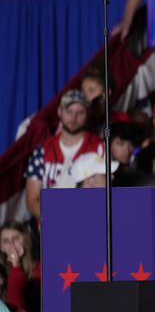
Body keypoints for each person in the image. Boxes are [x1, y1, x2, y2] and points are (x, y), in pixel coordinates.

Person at [24, 89, 104, 221]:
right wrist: (57, 220)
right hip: (50, 226)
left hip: (88, 221)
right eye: (69, 111)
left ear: (88, 113)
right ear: (59, 112)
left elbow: (104, 193)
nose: (73, 118)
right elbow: (32, 199)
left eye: (80, 112)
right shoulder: (42, 151)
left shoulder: (99, 147)